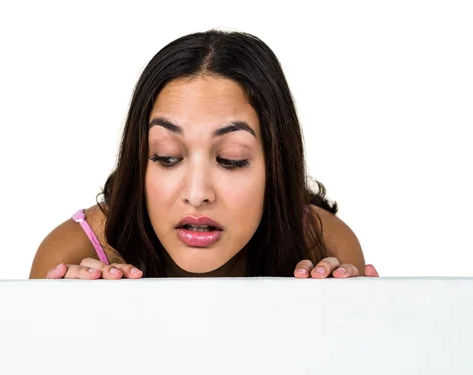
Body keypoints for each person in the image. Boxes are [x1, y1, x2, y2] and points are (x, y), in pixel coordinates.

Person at [29, 29, 379, 280]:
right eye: (167, 157)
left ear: (275, 166)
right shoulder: (71, 253)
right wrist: (69, 327)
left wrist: (349, 322)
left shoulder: (323, 245)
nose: (197, 195)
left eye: (231, 159)